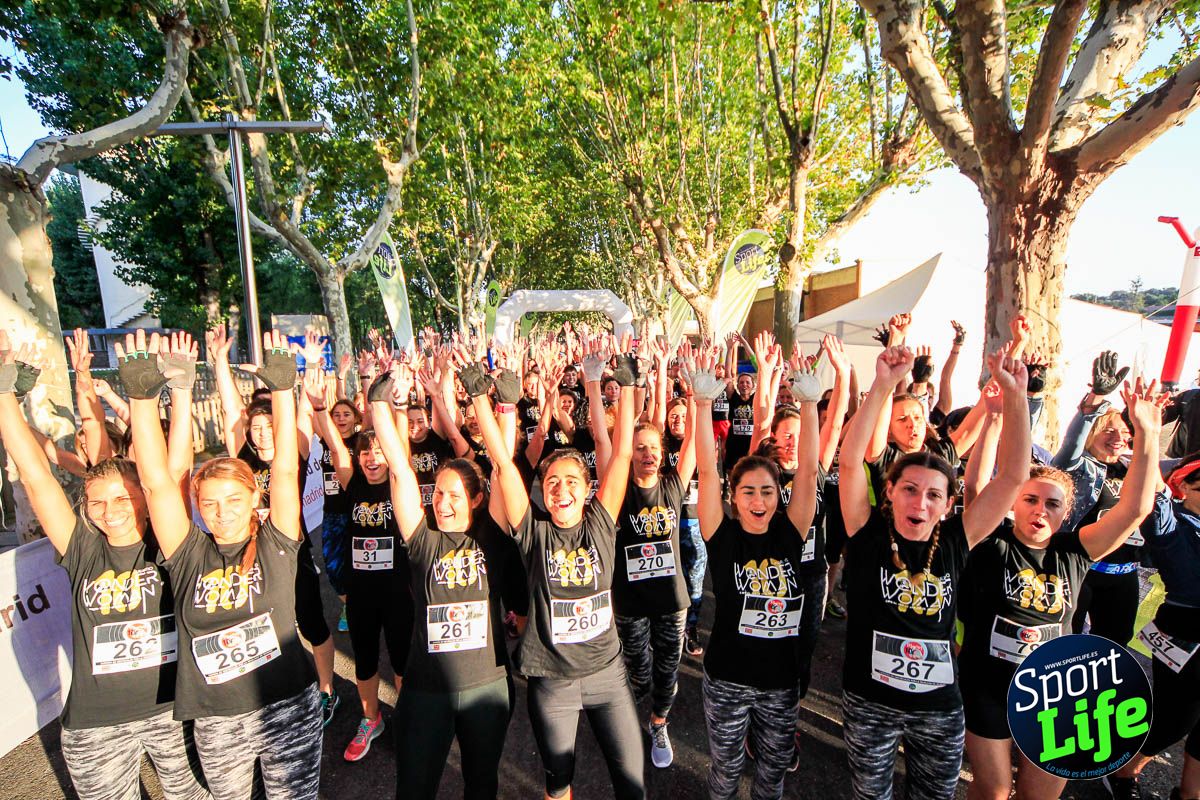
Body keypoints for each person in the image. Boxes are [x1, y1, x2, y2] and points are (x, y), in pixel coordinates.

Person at [0, 331, 211, 800]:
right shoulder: (81, 548)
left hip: (175, 709)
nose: (111, 510)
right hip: (96, 727)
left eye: (123, 498)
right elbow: (35, 474)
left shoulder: (169, 541)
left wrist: (169, 391)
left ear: (144, 500)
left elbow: (171, 475)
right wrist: (1, 393)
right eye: (99, 502)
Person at [127, 329, 322, 800]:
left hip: (289, 707)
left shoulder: (278, 540)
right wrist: (141, 398)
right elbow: (156, 485)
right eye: (209, 502)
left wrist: (281, 391)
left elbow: (288, 470)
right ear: (196, 503)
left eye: (234, 499)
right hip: (216, 721)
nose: (222, 511)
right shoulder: (189, 552)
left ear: (256, 497)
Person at [837, 345, 1030, 800]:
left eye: (933, 495)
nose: (919, 503)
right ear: (890, 491)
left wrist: (1016, 398)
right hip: (871, 703)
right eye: (909, 490)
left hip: (938, 707)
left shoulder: (958, 540)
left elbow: (1012, 479)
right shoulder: (866, 533)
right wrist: (883, 385)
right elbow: (848, 464)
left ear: (947, 504)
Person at [958, 379, 1163, 800]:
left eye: (1052, 504)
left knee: (1041, 796)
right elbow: (976, 488)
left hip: (1054, 693)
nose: (1039, 510)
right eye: (1030, 499)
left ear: (1067, 511)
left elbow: (1135, 509)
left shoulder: (1075, 550)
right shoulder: (989, 541)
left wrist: (1147, 434)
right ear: (1013, 501)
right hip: (988, 685)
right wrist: (997, 415)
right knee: (994, 790)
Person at [468, 342, 645, 800]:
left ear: (588, 491)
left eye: (571, 482)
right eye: (551, 483)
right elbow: (504, 463)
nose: (561, 490)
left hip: (608, 676)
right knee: (558, 784)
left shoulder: (602, 525)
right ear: (542, 495)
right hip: (552, 683)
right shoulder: (534, 533)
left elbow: (621, 455)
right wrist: (479, 399)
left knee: (632, 785)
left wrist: (626, 388)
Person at [367, 362, 516, 800]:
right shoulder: (422, 539)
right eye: (438, 494)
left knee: (482, 787)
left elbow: (504, 465)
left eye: (454, 496)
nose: (443, 503)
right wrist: (378, 405)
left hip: (486, 687)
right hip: (425, 690)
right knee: (414, 789)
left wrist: (494, 402)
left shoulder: (492, 535)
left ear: (477, 499)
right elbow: (400, 471)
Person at [689, 345, 821, 800]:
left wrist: (809, 405)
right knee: (725, 776)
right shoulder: (722, 537)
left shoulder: (790, 534)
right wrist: (703, 405)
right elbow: (707, 472)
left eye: (767, 491)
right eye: (747, 492)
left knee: (772, 778)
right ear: (734, 495)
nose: (759, 501)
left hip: (781, 685)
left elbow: (806, 476)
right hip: (727, 680)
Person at [206, 324, 338, 726]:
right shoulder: (242, 460)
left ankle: (327, 691)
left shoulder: (291, 453)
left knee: (312, 623)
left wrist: (308, 366)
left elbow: (298, 414)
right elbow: (231, 412)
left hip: (292, 553)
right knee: (261, 624)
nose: (262, 434)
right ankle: (271, 689)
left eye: (268, 427)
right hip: (251, 557)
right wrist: (219, 363)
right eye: (255, 428)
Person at [595, 336, 697, 769]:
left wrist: (695, 392)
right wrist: (599, 384)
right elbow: (605, 442)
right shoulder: (617, 493)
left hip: (671, 601)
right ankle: (627, 709)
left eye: (654, 448)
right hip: (632, 602)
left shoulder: (673, 486)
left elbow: (695, 440)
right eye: (639, 448)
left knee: (667, 672)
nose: (649, 454)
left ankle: (659, 721)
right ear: (629, 455)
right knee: (638, 668)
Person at [306, 370, 413, 761]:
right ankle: (371, 718)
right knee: (365, 660)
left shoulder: (401, 481)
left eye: (379, 451)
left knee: (401, 659)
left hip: (398, 589)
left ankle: (407, 717)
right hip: (362, 592)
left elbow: (399, 443)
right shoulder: (350, 479)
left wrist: (394, 404)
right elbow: (336, 446)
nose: (371, 457)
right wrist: (319, 406)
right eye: (365, 452)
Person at [1106, 449, 1200, 800]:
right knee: (1176, 720)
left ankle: (1191, 791)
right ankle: (1124, 771)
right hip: (1184, 633)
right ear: (1184, 487)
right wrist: (1147, 438)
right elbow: (1152, 494)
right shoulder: (1171, 521)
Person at [1053, 351, 1141, 646]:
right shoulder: (1078, 466)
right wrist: (1094, 401)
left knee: (1115, 645)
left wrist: (1146, 428)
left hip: (1123, 575)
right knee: (1068, 641)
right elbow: (1069, 450)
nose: (1118, 437)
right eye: (1109, 430)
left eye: (1124, 433)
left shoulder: (1132, 468)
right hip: (1081, 570)